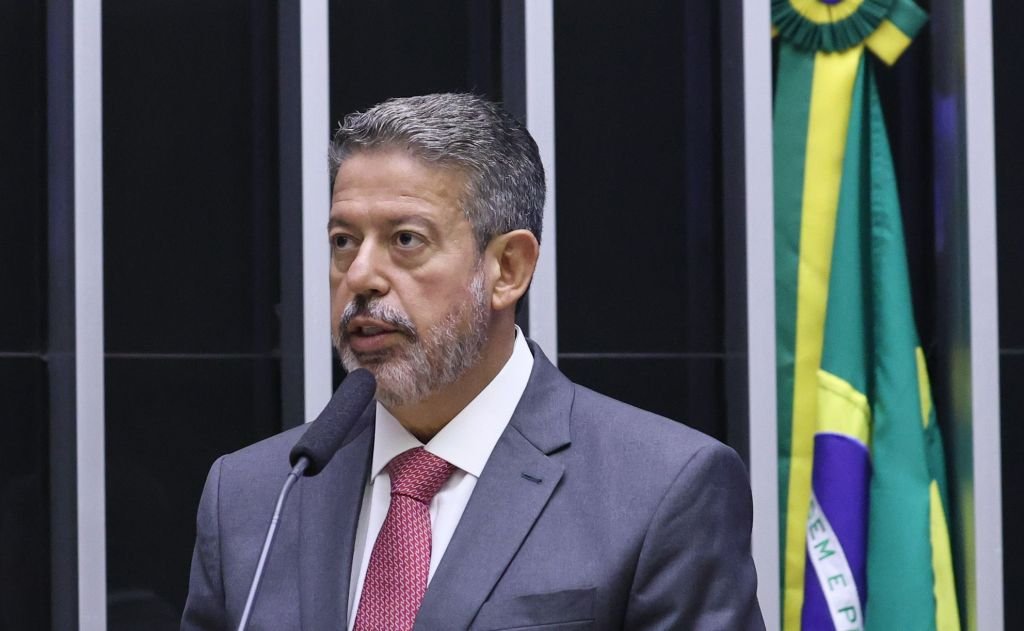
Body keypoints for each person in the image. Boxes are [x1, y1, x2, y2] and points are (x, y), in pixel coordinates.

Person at [182, 93, 765, 630]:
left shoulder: (663, 488)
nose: (359, 276)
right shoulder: (254, 495)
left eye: (405, 240)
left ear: (508, 269)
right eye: (343, 241)